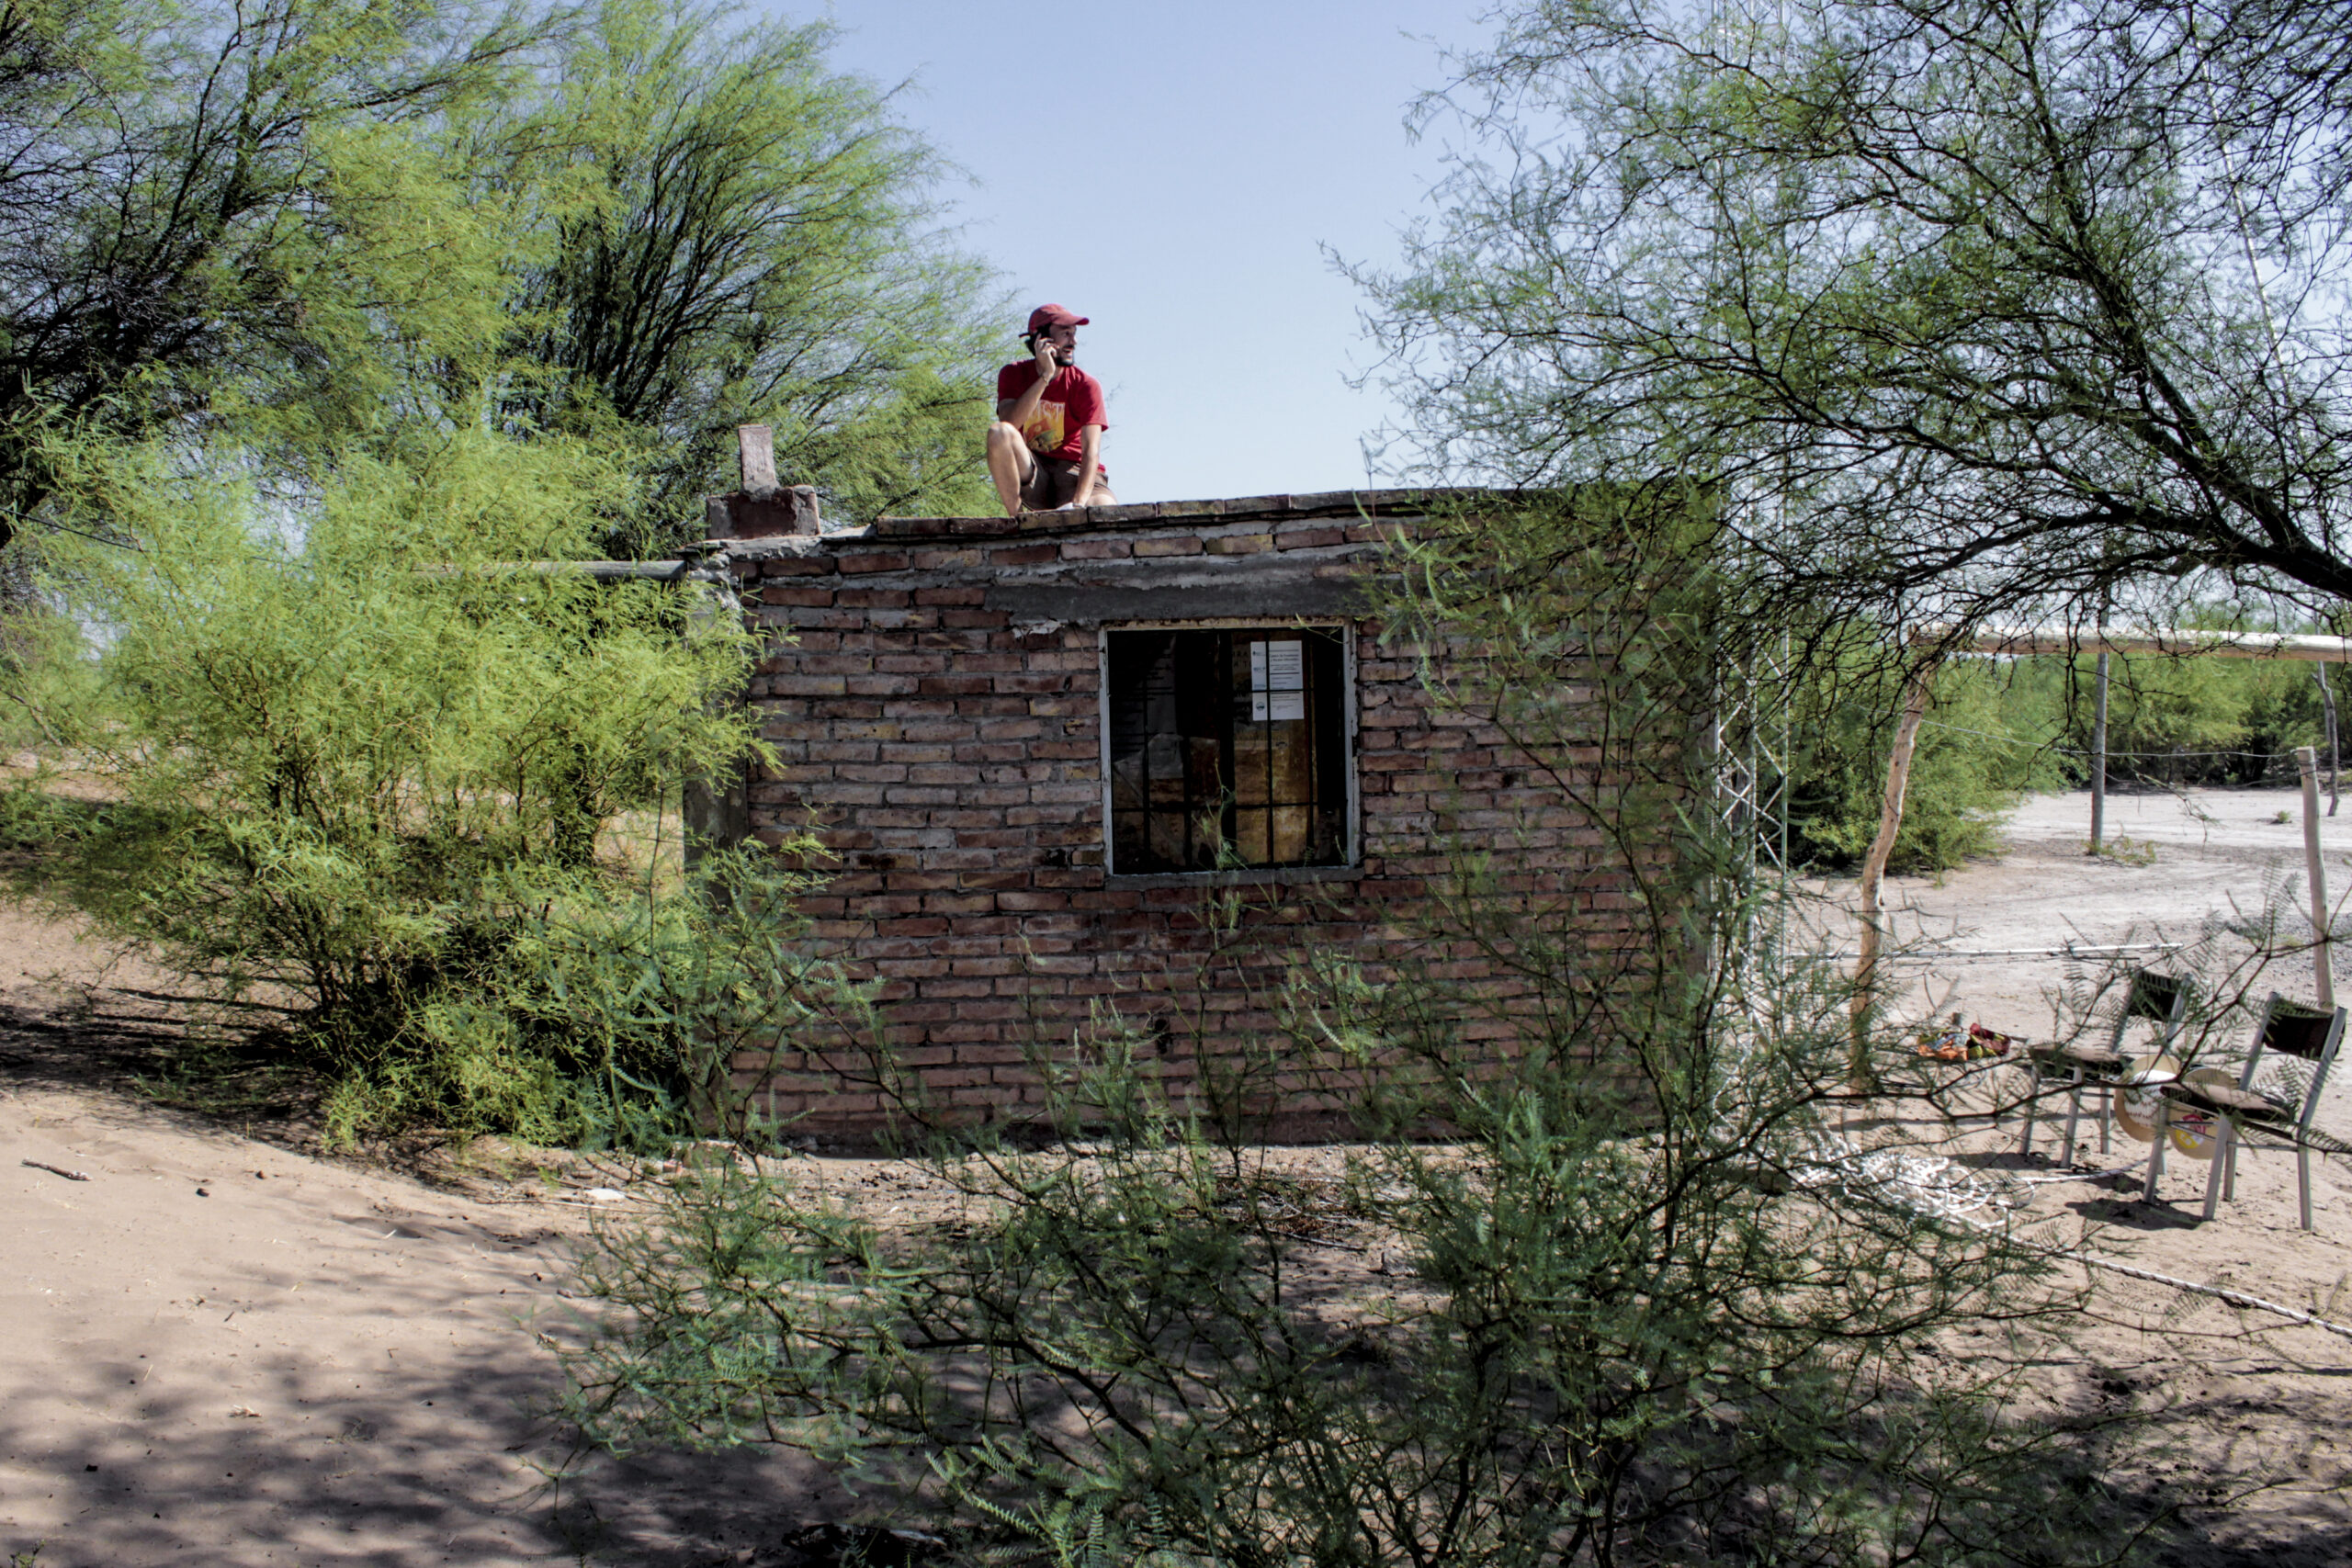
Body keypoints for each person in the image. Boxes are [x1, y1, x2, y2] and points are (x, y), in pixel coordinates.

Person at [987, 303, 1116, 515]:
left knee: (1106, 508)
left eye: (1074, 334)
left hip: (1073, 473)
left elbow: (1091, 451)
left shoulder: (1086, 385)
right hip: (1033, 471)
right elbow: (1009, 424)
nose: (1073, 342)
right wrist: (1045, 376)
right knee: (998, 432)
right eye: (1066, 334)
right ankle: (1017, 521)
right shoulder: (1013, 373)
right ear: (1040, 338)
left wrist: (1078, 505)